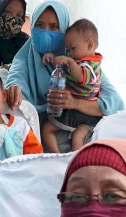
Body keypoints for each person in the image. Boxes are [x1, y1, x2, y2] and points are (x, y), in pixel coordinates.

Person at [3, 0, 124, 149]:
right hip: (36, 145)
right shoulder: (25, 58)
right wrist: (12, 88)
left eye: (54, 27)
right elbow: (15, 78)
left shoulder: (77, 61)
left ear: (65, 30)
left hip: (79, 143)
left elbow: (114, 104)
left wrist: (74, 103)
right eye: (39, 25)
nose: (46, 32)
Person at [42, 18, 102, 152]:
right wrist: (52, 58)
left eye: (73, 48)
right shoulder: (79, 61)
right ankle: (62, 158)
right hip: (82, 114)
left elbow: (81, 78)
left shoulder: (91, 66)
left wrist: (69, 61)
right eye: (68, 50)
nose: (70, 53)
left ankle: (67, 159)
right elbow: (62, 68)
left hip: (83, 114)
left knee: (50, 130)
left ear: (90, 45)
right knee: (74, 136)